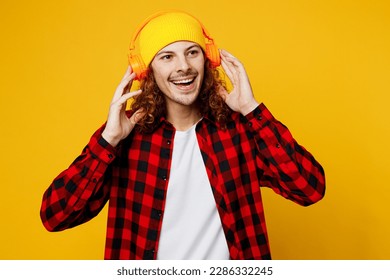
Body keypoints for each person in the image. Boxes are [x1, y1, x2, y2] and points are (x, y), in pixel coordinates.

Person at [40, 10, 325, 260]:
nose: (184, 66)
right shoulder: (122, 137)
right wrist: (108, 142)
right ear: (147, 69)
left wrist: (252, 110)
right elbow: (55, 216)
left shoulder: (238, 130)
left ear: (207, 59)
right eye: (167, 56)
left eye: (192, 52)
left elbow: (309, 188)